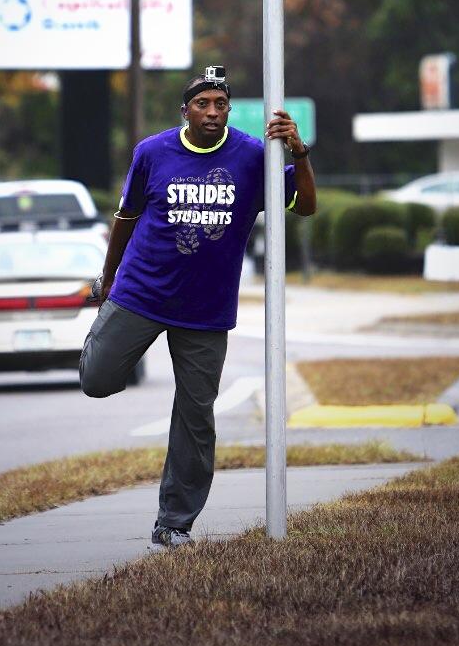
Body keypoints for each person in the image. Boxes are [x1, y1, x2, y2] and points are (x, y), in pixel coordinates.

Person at [79, 66, 316, 549]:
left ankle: (174, 522)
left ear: (228, 109)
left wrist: (299, 153)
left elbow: (306, 206)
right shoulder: (153, 152)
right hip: (142, 293)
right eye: (202, 103)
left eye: (220, 104)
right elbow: (125, 218)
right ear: (185, 109)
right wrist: (108, 279)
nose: (212, 112)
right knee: (97, 380)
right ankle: (100, 337)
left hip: (206, 310)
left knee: (196, 416)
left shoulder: (254, 156)